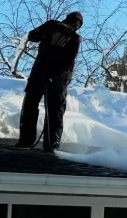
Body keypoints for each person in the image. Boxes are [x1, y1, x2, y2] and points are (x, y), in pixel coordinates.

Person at [15, 11, 83, 153]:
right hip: (39, 72)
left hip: (59, 78)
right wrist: (46, 30)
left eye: (77, 26)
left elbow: (68, 61)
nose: (73, 27)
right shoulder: (51, 25)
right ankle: (26, 139)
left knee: (55, 110)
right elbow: (33, 36)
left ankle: (52, 143)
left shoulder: (75, 39)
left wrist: (56, 75)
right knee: (29, 104)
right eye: (72, 23)